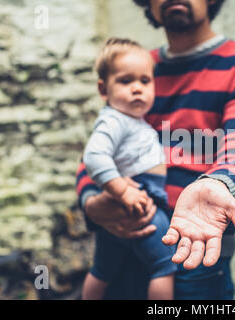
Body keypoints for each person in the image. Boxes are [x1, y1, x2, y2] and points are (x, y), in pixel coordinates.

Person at [76, 0, 235, 299]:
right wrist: (92, 202)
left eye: (145, 82)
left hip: (195, 248)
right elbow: (98, 150)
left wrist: (216, 184)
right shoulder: (139, 65)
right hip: (124, 243)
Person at [81, 38, 176, 300]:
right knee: (164, 266)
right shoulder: (114, 121)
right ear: (104, 89)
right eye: (126, 81)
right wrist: (123, 191)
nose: (137, 89)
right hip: (140, 201)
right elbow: (94, 156)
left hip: (127, 203)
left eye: (145, 81)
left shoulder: (130, 120)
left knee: (103, 270)